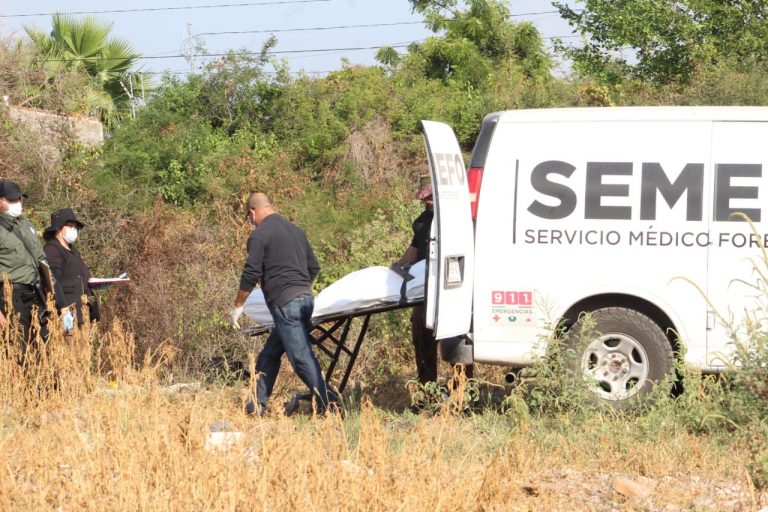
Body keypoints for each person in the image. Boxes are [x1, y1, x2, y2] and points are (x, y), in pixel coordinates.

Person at [230, 192, 340, 416]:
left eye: (248, 217)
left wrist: (239, 305)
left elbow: (251, 272)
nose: (249, 222)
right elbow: (314, 268)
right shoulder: (295, 231)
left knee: (300, 357)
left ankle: (331, 404)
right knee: (270, 353)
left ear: (252, 211)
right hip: (306, 300)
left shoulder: (260, 235)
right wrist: (299, 288)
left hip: (285, 304)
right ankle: (255, 405)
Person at [0, 179, 70, 362]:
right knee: (18, 351)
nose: (17, 204)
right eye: (12, 200)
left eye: (19, 199)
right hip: (11, 295)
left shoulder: (26, 225)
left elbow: (42, 262)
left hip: (36, 292)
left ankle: (42, 388)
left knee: (42, 348)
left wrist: (61, 304)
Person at [392, 173, 439, 385]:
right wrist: (394, 271)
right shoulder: (421, 222)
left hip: (447, 289)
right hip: (422, 290)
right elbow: (413, 250)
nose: (427, 201)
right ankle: (427, 391)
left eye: (430, 196)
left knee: (455, 343)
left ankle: (463, 396)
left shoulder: (456, 219)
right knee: (422, 341)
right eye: (425, 197)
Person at [43, 208, 100, 328]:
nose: (73, 229)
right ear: (58, 228)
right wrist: (63, 308)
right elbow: (52, 280)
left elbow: (79, 277)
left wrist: (95, 283)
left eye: (75, 226)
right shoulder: (52, 249)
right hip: (68, 316)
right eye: (69, 225)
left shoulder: (73, 251)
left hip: (83, 314)